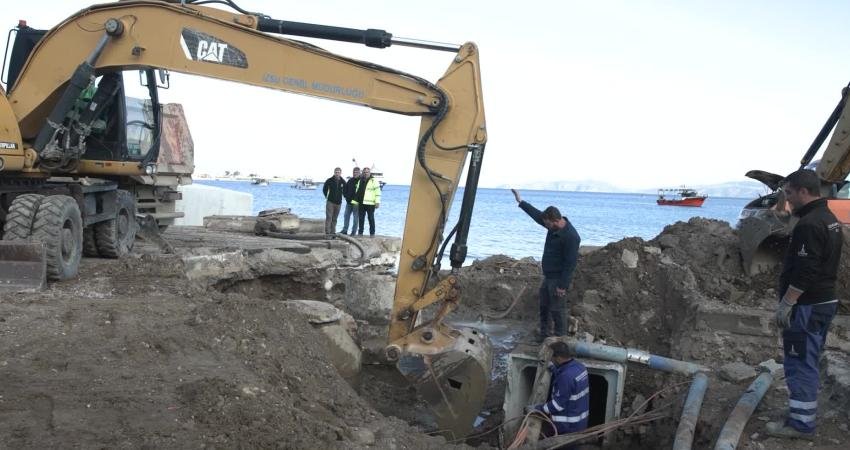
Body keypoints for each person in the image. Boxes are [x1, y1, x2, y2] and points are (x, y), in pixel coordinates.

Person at [766, 169, 843, 440]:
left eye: (789, 193)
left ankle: (801, 425)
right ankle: (801, 415)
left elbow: (805, 272)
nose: (787, 199)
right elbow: (784, 216)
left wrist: (787, 303)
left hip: (807, 306)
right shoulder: (828, 218)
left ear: (803, 191)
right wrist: (779, 200)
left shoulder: (810, 225)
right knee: (808, 358)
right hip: (824, 301)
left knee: (799, 362)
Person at [512, 189, 580, 341]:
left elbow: (570, 264)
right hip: (548, 276)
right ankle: (544, 337)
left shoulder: (571, 237)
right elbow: (538, 216)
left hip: (558, 279)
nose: (545, 226)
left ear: (555, 221)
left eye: (547, 224)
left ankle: (560, 341)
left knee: (558, 310)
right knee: (544, 307)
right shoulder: (553, 226)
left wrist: (562, 286)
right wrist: (521, 202)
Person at [526, 341, 590, 437]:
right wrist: (553, 368)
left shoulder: (565, 377)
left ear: (558, 358)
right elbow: (569, 383)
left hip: (567, 427)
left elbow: (557, 405)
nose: (550, 359)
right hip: (580, 422)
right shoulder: (579, 367)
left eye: (551, 357)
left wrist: (536, 409)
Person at [355, 167, 381, 236]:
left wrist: (377, 202)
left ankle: (372, 233)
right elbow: (357, 192)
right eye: (364, 172)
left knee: (371, 218)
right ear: (362, 173)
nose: (365, 173)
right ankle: (360, 233)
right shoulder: (360, 181)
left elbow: (378, 192)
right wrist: (355, 202)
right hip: (361, 203)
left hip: (370, 203)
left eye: (367, 172)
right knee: (361, 219)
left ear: (369, 173)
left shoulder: (374, 181)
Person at [322, 167, 345, 235]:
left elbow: (346, 190)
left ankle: (333, 232)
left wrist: (345, 196)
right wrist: (327, 196)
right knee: (329, 217)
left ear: (340, 173)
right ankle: (328, 233)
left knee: (335, 219)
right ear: (334, 173)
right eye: (336, 172)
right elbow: (324, 189)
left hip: (338, 203)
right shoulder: (329, 180)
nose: (337, 173)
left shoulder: (343, 181)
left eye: (338, 172)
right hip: (330, 202)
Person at [340, 167, 361, 235]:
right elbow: (345, 189)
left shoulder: (361, 181)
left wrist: (357, 200)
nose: (355, 173)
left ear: (359, 173)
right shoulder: (350, 180)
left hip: (356, 202)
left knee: (355, 218)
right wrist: (346, 197)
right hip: (349, 202)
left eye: (357, 172)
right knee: (346, 215)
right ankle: (345, 230)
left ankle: (353, 232)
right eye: (354, 172)